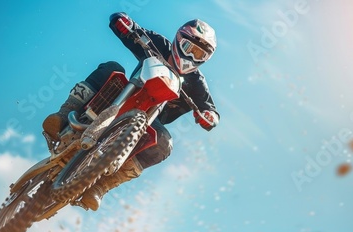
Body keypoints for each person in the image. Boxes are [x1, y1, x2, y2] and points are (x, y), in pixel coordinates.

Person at [42, 12, 220, 211]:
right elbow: (133, 30)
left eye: (199, 55)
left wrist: (210, 117)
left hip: (149, 121)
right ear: (179, 40)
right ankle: (63, 115)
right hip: (123, 94)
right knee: (111, 68)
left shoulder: (197, 83)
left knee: (164, 143)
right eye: (189, 48)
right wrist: (122, 21)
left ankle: (101, 187)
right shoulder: (158, 44)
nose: (191, 57)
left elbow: (209, 108)